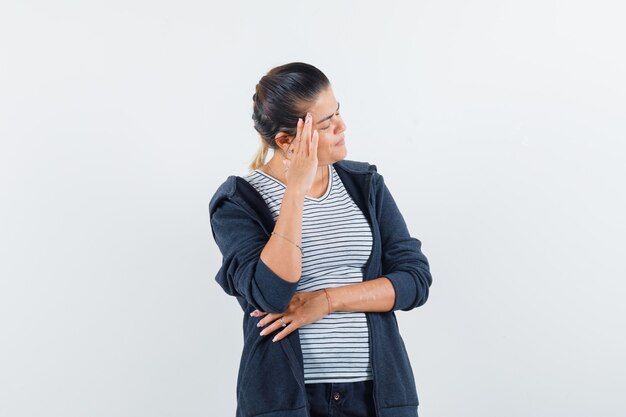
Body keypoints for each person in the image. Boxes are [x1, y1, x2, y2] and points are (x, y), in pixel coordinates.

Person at [208, 62, 432, 417]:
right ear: (286, 141)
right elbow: (272, 293)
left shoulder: (366, 185)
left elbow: (414, 282)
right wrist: (295, 190)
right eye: (326, 124)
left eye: (338, 113)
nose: (342, 127)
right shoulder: (238, 201)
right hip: (286, 399)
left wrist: (326, 301)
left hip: (379, 394)